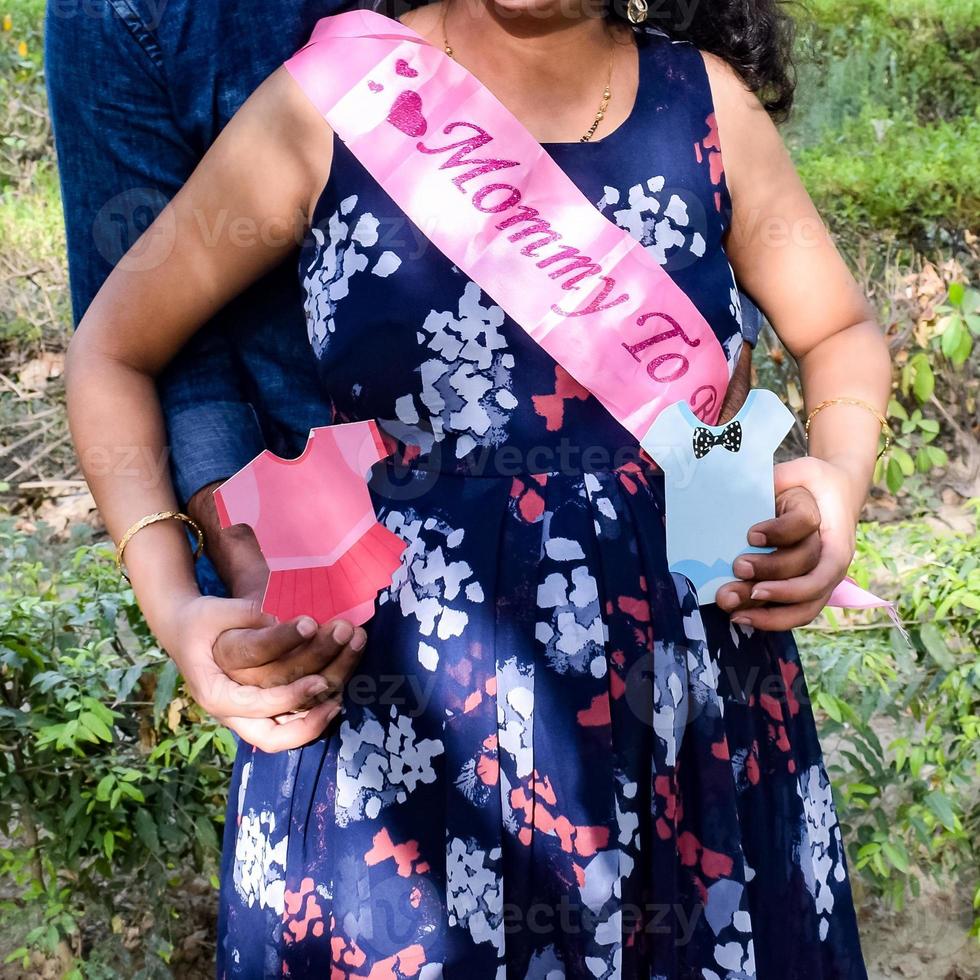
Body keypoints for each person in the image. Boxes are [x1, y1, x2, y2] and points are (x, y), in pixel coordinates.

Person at [63, 0, 890, 974]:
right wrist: (175, 602)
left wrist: (834, 480)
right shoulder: (332, 103)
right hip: (404, 736)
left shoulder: (705, 106)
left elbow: (838, 331)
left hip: (686, 716)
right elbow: (112, 350)